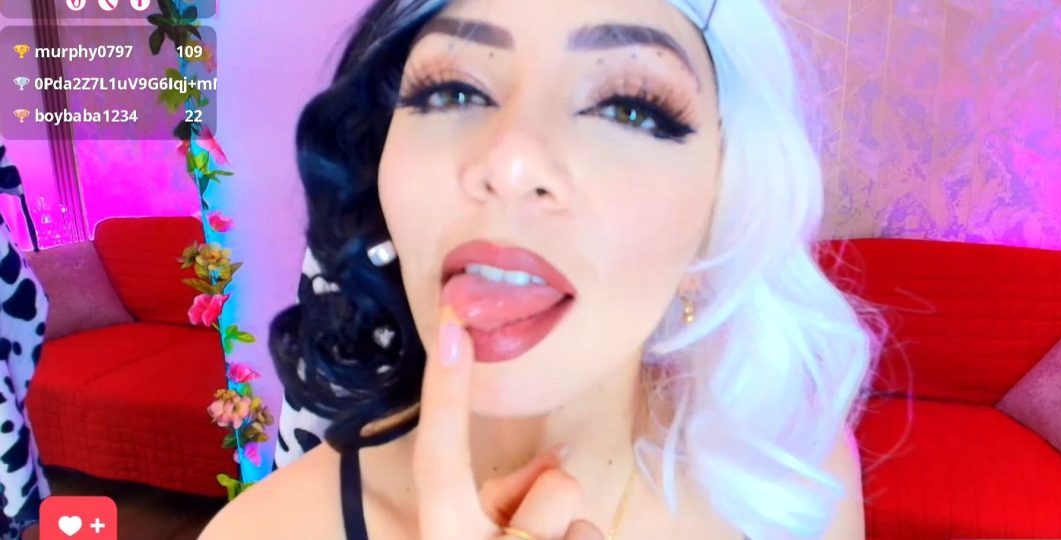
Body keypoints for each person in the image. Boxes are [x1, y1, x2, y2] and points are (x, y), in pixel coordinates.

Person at [202, 0, 878, 538]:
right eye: (452, 92)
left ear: (719, 218)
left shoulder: (791, 481)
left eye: (628, 107)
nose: (511, 161)